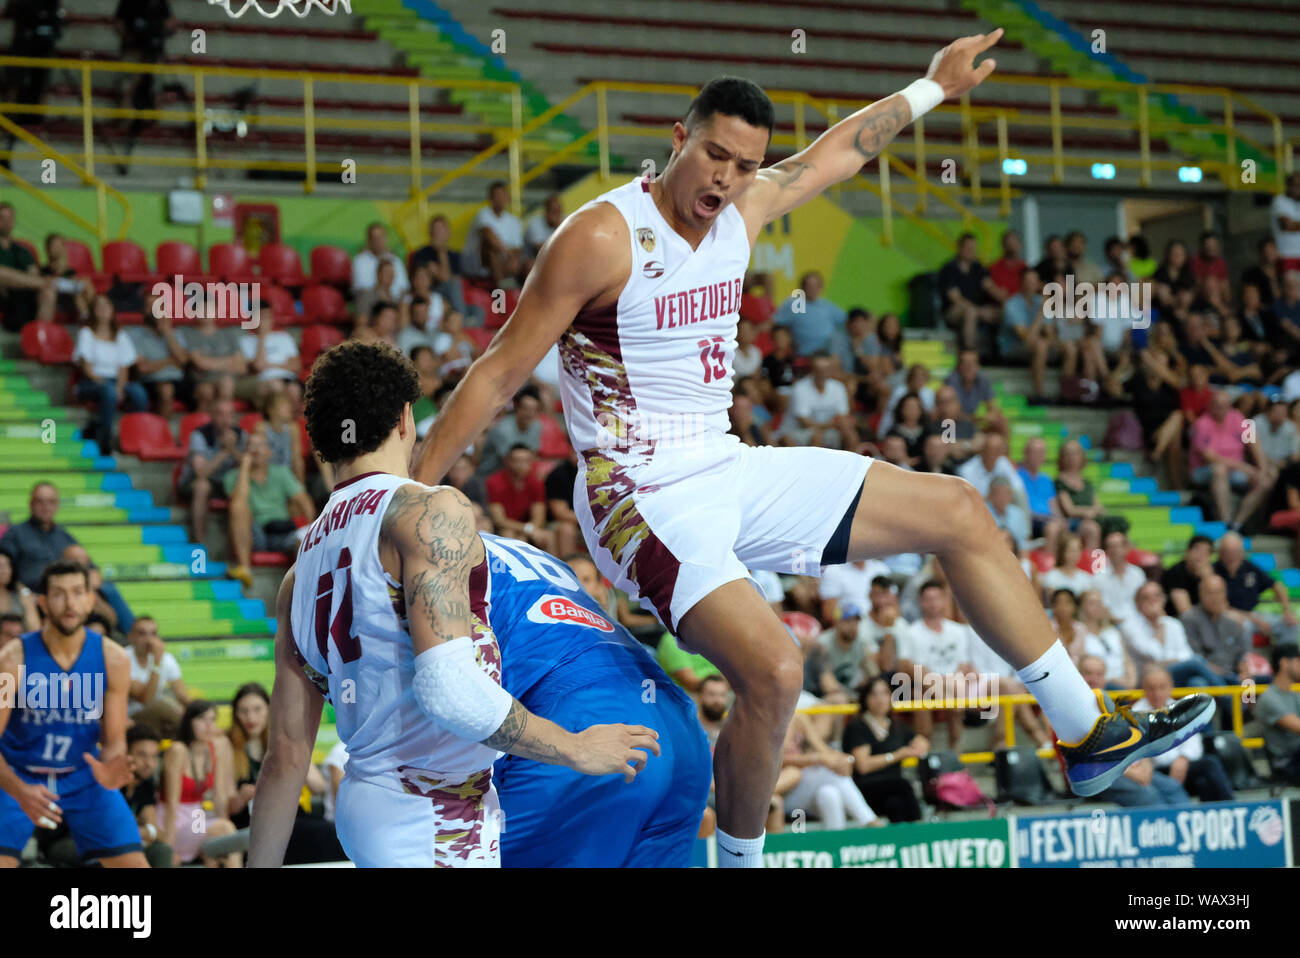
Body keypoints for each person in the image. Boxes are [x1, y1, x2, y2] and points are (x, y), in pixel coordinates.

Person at [409, 51, 1214, 866]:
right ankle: (742, 861)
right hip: (637, 493)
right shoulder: (601, 236)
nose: (726, 178)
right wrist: (404, 496)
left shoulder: (745, 209)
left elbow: (845, 149)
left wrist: (936, 85)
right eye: (714, 155)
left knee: (961, 511)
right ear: (678, 138)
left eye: (745, 164)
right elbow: (500, 371)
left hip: (726, 465)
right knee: (777, 672)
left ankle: (1085, 732)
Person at [248, 341, 659, 868]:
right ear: (405, 419)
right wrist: (575, 747)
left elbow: (284, 760)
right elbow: (448, 690)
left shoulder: (298, 571)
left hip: (377, 801)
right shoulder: (425, 509)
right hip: (427, 809)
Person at [481, 534, 712, 866]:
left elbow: (455, 698)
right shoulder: (534, 559)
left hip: (588, 724)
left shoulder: (420, 545)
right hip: (678, 727)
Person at [0, 560, 147, 868]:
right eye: (59, 594)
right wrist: (18, 790)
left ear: (91, 599)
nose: (70, 603)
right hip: (16, 776)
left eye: (78, 592)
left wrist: (109, 768)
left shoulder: (114, 659)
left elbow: (115, 739)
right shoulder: (11, 660)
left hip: (84, 774)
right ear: (42, 602)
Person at [225, 682, 340, 864]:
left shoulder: (283, 742)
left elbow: (319, 787)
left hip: (290, 817)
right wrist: (241, 797)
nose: (250, 717)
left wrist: (298, 762)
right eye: (244, 711)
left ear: (269, 710)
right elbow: (228, 806)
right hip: (253, 822)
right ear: (236, 715)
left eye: (257, 709)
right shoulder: (229, 748)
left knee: (333, 835)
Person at [0, 482, 134, 630]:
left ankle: (132, 638)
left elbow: (91, 569)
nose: (46, 507)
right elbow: (4, 567)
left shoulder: (64, 536)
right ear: (31, 504)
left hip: (66, 592)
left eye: (51, 502)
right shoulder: (15, 534)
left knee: (108, 590)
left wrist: (89, 583)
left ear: (57, 505)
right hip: (34, 595)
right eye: (40, 502)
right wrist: (24, 592)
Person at [223, 429, 313, 590]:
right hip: (255, 533)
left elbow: (303, 500)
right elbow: (239, 501)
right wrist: (244, 467)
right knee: (238, 507)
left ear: (269, 452)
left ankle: (304, 589)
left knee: (304, 537)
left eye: (260, 446)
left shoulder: (281, 473)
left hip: (281, 531)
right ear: (245, 451)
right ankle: (245, 567)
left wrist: (313, 527)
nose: (256, 450)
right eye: (251, 446)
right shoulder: (232, 477)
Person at [1133, 666, 1234, 802]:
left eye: (1162, 687)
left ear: (1170, 688)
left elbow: (1194, 740)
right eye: (1151, 688)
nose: (1156, 693)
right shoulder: (1135, 715)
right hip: (1155, 771)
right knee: (1209, 766)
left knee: (1206, 777)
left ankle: (1228, 808)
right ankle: (1231, 806)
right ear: (1144, 690)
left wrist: (1184, 758)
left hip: (1181, 765)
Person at [161, 700, 240, 867]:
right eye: (202, 719)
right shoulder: (178, 750)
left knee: (222, 833)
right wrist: (166, 848)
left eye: (212, 720)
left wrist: (224, 834)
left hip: (196, 818)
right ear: (189, 722)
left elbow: (220, 796)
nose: (209, 725)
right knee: (223, 829)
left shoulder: (213, 749)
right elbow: (172, 803)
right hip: (173, 820)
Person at [72, 294, 149, 453]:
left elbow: (123, 368)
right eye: (98, 306)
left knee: (139, 393)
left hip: (115, 381)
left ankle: (130, 436)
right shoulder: (86, 333)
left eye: (106, 306)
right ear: (93, 311)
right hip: (91, 382)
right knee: (109, 392)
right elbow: (87, 367)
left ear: (112, 310)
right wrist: (105, 384)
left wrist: (120, 387)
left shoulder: (121, 336)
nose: (103, 310)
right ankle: (104, 439)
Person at [841, 675, 924, 822]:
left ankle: (903, 843)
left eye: (885, 693)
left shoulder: (896, 725)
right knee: (903, 784)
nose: (880, 699)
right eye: (874, 694)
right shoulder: (858, 726)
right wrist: (896, 755)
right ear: (865, 698)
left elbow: (919, 740)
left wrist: (921, 744)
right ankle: (921, 832)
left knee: (895, 804)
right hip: (866, 787)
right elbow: (863, 766)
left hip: (891, 790)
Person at [778, 709, 878, 831]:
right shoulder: (764, 720)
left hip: (800, 785)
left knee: (829, 792)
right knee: (827, 772)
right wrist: (817, 759)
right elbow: (777, 761)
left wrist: (842, 760)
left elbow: (822, 749)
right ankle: (869, 820)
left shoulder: (798, 717)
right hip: (780, 789)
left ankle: (837, 840)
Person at [1119, 581, 1222, 687]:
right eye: (1146, 598)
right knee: (1197, 662)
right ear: (1137, 603)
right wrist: (1158, 625)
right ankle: (1228, 693)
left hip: (1176, 673)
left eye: (1157, 596)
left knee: (1198, 682)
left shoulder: (1173, 623)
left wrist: (1170, 662)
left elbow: (1186, 654)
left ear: (1164, 599)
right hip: (1147, 679)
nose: (1153, 601)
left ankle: (1228, 692)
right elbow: (1154, 654)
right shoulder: (1129, 626)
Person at [178, 398, 245, 545]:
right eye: (221, 414)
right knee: (202, 486)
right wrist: (224, 451)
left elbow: (249, 465)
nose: (225, 419)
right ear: (212, 416)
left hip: (225, 481)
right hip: (194, 481)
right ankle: (199, 541)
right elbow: (201, 473)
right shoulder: (200, 435)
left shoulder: (241, 435)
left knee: (244, 485)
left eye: (229, 415)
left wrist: (233, 450)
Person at [1213, 530, 1298, 645]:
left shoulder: (1249, 567)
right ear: (1221, 553)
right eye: (1229, 552)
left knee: (1290, 624)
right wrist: (1256, 620)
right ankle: (1245, 660)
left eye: (1237, 551)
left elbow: (1277, 585)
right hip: (1229, 617)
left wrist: (1287, 611)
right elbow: (1220, 607)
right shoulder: (1214, 572)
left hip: (1254, 613)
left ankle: (1287, 659)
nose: (1233, 556)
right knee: (1244, 625)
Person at [1178, 575, 1251, 685]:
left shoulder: (1233, 624)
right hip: (1204, 675)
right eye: (1210, 593)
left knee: (1251, 683)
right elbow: (1194, 658)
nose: (1215, 597)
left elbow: (1241, 656)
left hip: (1231, 675)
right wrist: (1221, 674)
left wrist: (1245, 673)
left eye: (1219, 592)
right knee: (1197, 683)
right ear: (1200, 594)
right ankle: (1225, 698)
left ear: (1225, 594)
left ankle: (1250, 702)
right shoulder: (1189, 619)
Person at [939, 231, 1004, 351]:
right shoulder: (949, 268)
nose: (972, 251)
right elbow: (955, 298)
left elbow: (990, 287)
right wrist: (979, 311)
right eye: (968, 247)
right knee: (971, 312)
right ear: (959, 248)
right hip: (953, 311)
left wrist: (1005, 300)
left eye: (974, 248)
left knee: (1004, 312)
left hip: (977, 308)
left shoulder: (978, 268)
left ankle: (1000, 353)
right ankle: (970, 352)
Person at [125, 615, 189, 736]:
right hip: (130, 717)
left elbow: (183, 695)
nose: (149, 640)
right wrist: (157, 663)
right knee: (162, 705)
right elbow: (146, 700)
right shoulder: (123, 658)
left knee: (182, 710)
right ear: (131, 636)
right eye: (142, 634)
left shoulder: (167, 658)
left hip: (157, 716)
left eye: (153, 634)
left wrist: (197, 713)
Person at [485, 444, 555, 553]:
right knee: (509, 535)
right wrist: (527, 529)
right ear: (507, 461)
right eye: (517, 460)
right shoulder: (494, 481)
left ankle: (553, 569)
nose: (521, 465)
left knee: (548, 536)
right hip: (504, 528)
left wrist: (529, 530)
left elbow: (539, 517)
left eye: (526, 461)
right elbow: (499, 520)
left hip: (527, 527)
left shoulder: (536, 482)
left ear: (532, 462)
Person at [122, 725, 173, 868]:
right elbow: (113, 832)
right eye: (142, 755)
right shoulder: (113, 782)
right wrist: (146, 831)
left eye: (153, 756)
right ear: (126, 752)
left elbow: (154, 830)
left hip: (126, 844)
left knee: (162, 850)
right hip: (81, 841)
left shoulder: (146, 784)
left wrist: (148, 831)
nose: (149, 763)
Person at [0, 201, 54, 332]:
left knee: (49, 291)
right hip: (2, 296)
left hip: (22, 297)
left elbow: (34, 273)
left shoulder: (23, 251)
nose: (7, 222)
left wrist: (18, 283)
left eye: (10, 218)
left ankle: (40, 338)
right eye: (2, 218)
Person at [783, 352, 856, 448]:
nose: (822, 373)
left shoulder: (838, 387)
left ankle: (856, 461)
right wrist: (833, 424)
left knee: (850, 434)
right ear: (812, 370)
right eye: (819, 369)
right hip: (798, 431)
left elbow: (842, 416)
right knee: (817, 437)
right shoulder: (800, 388)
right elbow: (804, 423)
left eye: (826, 369)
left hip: (827, 430)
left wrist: (841, 424)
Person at [462, 181, 527, 288]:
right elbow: (488, 235)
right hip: (477, 262)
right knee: (492, 251)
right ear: (490, 198)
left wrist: (513, 260)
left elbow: (518, 248)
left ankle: (523, 295)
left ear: (508, 198)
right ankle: (504, 291)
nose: (500, 199)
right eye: (497, 196)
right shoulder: (483, 214)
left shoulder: (514, 221)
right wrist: (508, 254)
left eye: (503, 195)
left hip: (503, 261)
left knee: (530, 264)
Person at [773, 271, 848, 358]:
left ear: (821, 288)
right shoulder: (793, 304)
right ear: (802, 288)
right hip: (803, 355)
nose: (812, 289)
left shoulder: (828, 306)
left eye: (816, 286)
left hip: (827, 355)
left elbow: (848, 321)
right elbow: (774, 324)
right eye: (809, 286)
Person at [1256, 642, 1300, 783]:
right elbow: (1296, 726)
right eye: (1298, 661)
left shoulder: (1294, 695)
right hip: (1287, 763)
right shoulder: (1269, 698)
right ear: (1284, 663)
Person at [477, 385, 543, 477]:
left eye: (533, 410)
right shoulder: (502, 428)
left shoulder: (537, 426)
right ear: (517, 408)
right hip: (490, 474)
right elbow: (510, 461)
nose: (529, 414)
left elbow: (533, 455)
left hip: (517, 475)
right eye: (525, 409)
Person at [1078, 589, 1136, 690]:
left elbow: (1127, 661)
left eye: (1099, 603)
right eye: (1092, 603)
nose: (1097, 606)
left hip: (1122, 684)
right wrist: (1109, 680)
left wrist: (1131, 681)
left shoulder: (1113, 632)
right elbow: (1079, 664)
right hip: (1095, 685)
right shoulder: (1079, 632)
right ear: (1082, 607)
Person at [1094, 530, 1146, 624]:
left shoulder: (1138, 574)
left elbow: (1144, 602)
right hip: (1111, 624)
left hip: (1139, 622)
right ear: (1106, 550)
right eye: (1111, 547)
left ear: (1126, 548)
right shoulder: (1098, 578)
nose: (1115, 550)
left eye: (1118, 546)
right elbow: (1100, 607)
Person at [351, 222, 410, 306]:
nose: (378, 240)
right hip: (372, 302)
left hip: (395, 301)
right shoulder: (360, 260)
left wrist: (390, 295)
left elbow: (404, 287)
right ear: (368, 240)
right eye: (374, 237)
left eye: (380, 237)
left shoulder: (396, 260)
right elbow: (361, 287)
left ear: (386, 238)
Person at [1162, 534, 1214, 616]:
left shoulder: (1211, 573)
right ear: (1187, 551)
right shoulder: (1176, 572)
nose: (1200, 557)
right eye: (1197, 551)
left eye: (1205, 553)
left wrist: (1207, 579)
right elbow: (1185, 612)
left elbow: (1218, 607)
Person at [0, 552, 38, 632]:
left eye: (7, 566)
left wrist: (24, 591)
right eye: (0, 566)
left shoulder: (21, 592)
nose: (4, 571)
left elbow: (35, 628)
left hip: (18, 640)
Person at [1270, 172, 1300, 274]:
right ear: (1288, 185)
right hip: (1286, 254)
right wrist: (1292, 224)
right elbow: (1287, 226)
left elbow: (1292, 225)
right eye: (1296, 185)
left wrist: (1295, 223)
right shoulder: (1280, 200)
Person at [524, 193, 564, 260]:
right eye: (553, 211)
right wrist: (559, 228)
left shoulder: (566, 220)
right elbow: (541, 251)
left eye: (559, 210)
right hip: (532, 260)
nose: (557, 214)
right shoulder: (535, 223)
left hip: (554, 258)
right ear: (546, 211)